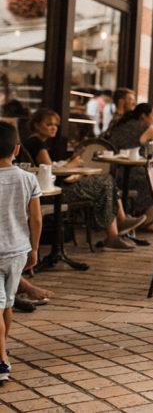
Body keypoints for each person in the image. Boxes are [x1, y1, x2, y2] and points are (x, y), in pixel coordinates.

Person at [24, 109, 143, 251]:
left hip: (49, 190)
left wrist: (68, 163)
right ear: (36, 125)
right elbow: (48, 171)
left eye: (56, 124)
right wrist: (70, 165)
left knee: (106, 181)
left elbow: (46, 168)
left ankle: (117, 229)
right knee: (105, 182)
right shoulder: (36, 143)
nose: (53, 127)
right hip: (50, 194)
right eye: (48, 124)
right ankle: (115, 231)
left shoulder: (35, 142)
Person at [0, 121, 42, 383]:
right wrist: (35, 248)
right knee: (8, 303)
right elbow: (36, 219)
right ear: (17, 149)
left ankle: (1, 360)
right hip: (17, 251)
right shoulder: (28, 178)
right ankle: (2, 346)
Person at [107, 103, 153, 220]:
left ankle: (144, 220)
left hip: (113, 174)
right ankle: (146, 221)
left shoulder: (121, 124)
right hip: (133, 173)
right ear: (143, 116)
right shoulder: (145, 127)